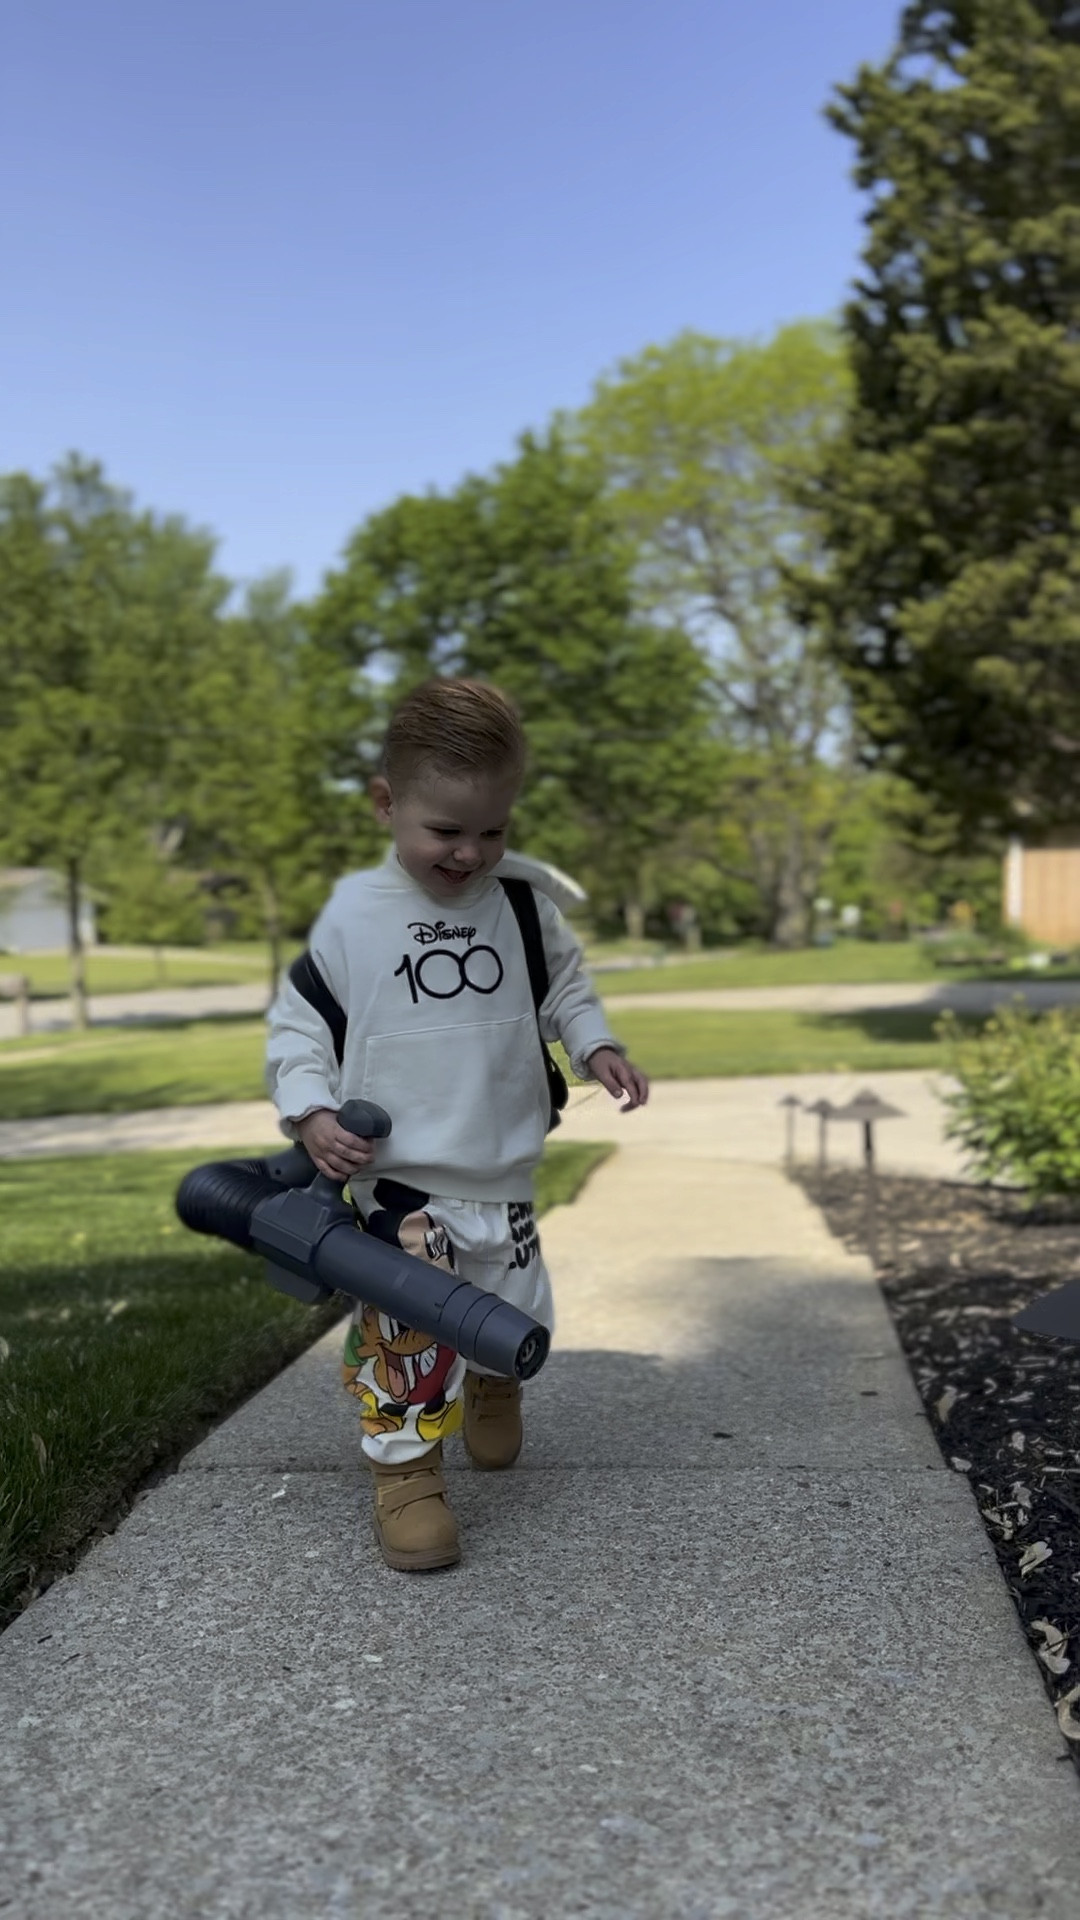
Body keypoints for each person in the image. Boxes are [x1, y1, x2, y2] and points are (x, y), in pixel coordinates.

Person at [265, 676, 649, 1573]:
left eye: (493, 830)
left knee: (513, 1304)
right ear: (386, 802)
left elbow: (566, 991)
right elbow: (302, 1025)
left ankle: (495, 1381)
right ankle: (408, 1480)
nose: (470, 853)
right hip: (400, 1182)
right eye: (446, 830)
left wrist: (595, 1047)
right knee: (408, 1328)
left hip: (503, 1171)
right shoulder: (357, 921)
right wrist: (311, 1108)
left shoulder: (522, 905)